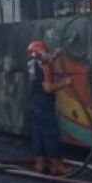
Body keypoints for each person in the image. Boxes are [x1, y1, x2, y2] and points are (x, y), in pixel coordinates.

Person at [27, 40, 71, 175]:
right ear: (40, 53)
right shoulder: (43, 67)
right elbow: (47, 88)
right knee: (51, 133)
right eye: (46, 51)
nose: (48, 54)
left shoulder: (32, 64)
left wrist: (56, 55)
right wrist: (65, 83)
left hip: (35, 105)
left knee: (38, 134)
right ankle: (57, 165)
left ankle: (40, 164)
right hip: (45, 105)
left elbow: (47, 63)